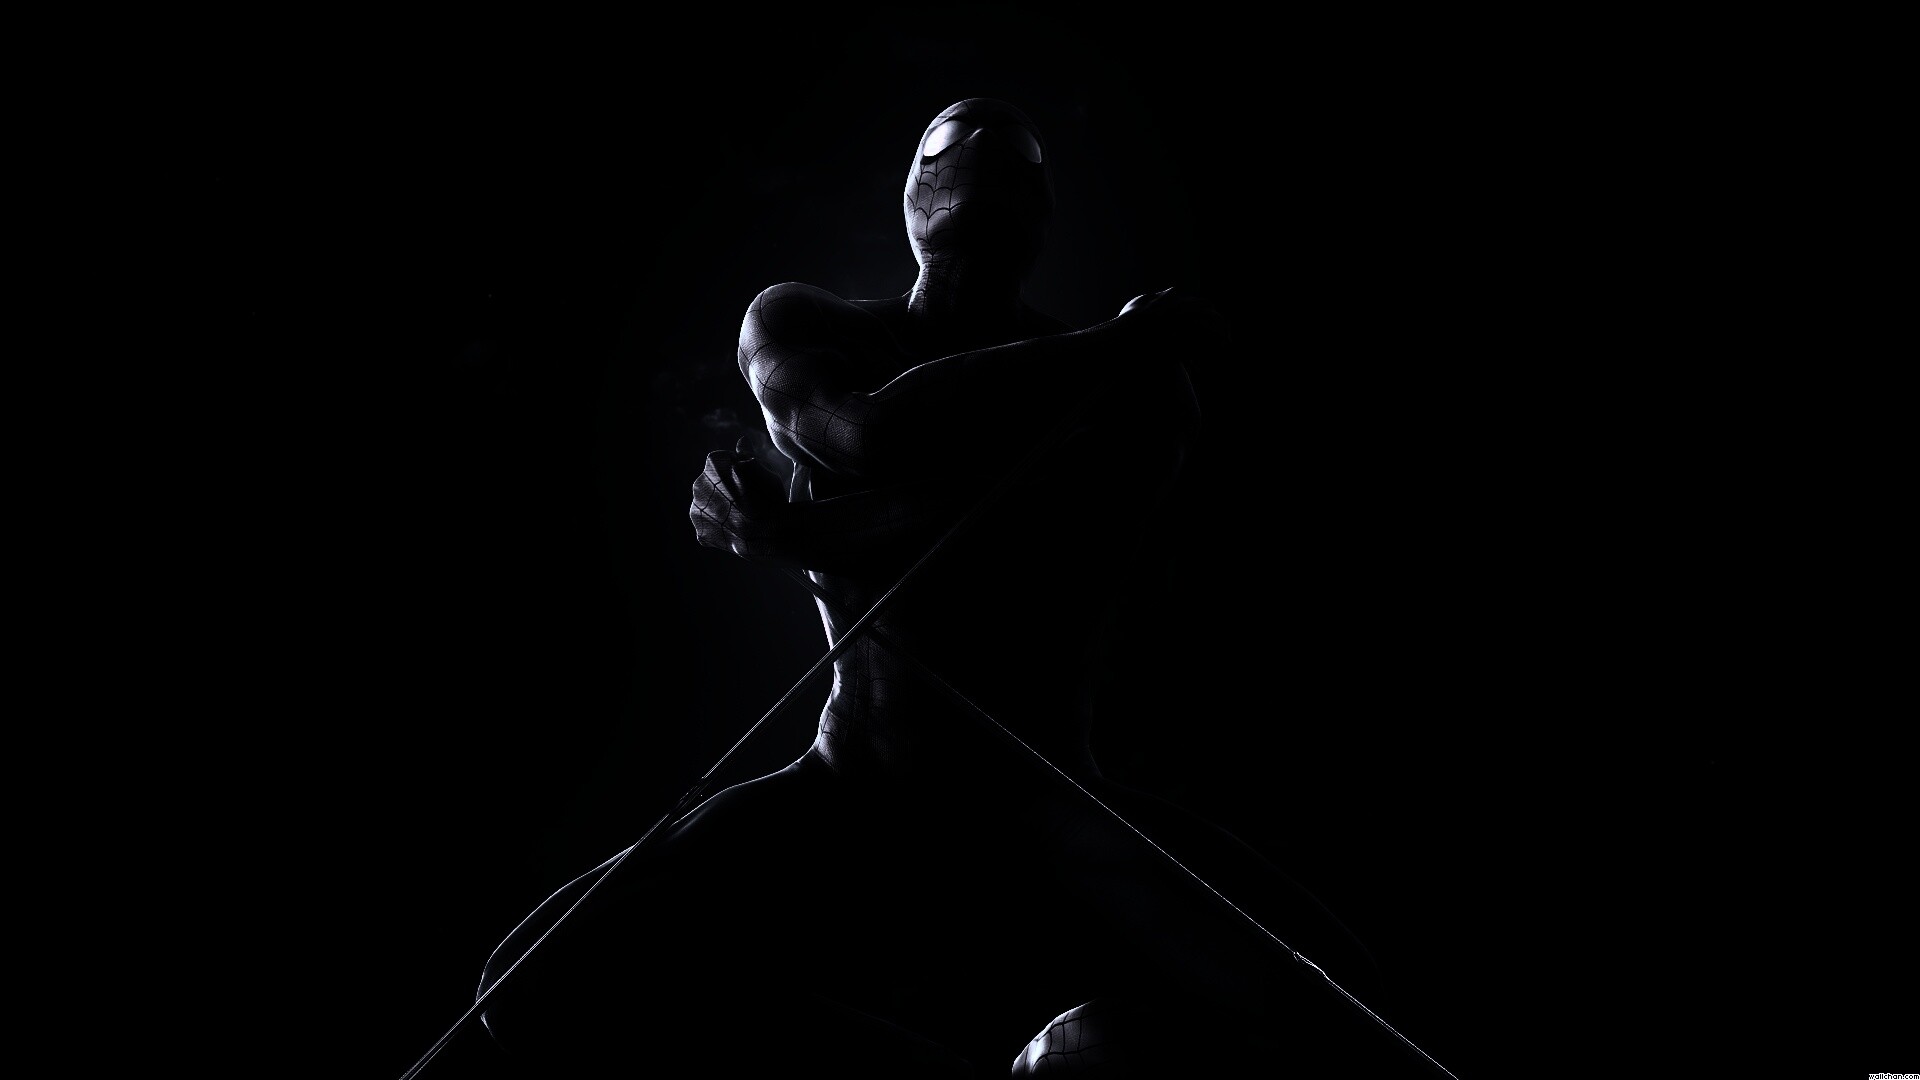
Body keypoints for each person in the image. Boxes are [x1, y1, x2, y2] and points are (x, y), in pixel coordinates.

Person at [474, 97, 1421, 1077]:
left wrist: (794, 533)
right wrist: (1116, 342)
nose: (979, 162)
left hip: (1041, 791)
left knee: (1348, 1010)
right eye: (948, 145)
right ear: (909, 191)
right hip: (852, 773)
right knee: (532, 985)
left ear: (1044, 212)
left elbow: (1026, 533)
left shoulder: (1148, 390)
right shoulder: (817, 324)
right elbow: (867, 433)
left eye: (1016, 157)